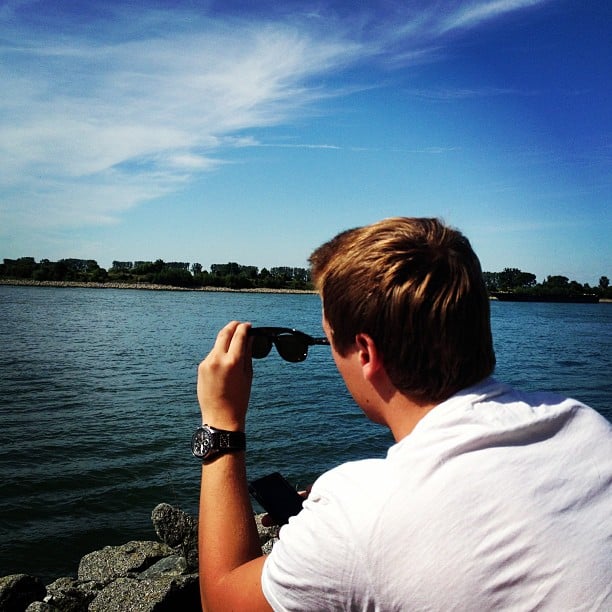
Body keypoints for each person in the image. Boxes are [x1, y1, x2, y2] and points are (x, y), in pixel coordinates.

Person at [194, 217, 611, 611]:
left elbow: (221, 600)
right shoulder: (586, 425)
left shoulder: (357, 514)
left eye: (328, 341)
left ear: (366, 353)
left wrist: (221, 423)